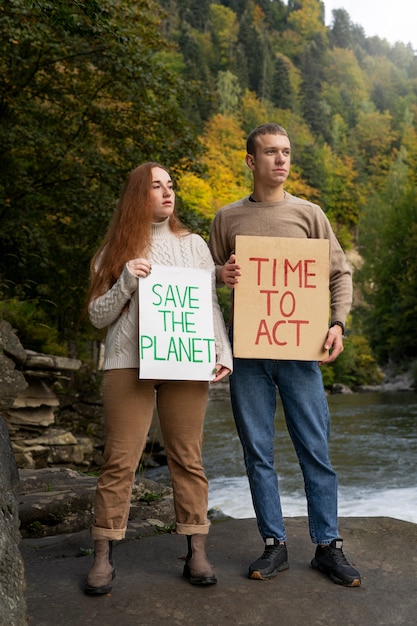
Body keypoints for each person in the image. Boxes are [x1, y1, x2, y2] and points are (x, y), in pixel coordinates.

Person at [208, 123, 361, 587]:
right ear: (251, 162)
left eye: (287, 152)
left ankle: (328, 546)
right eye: (271, 153)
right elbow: (207, 283)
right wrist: (222, 272)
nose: (281, 160)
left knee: (315, 448)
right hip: (247, 353)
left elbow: (340, 274)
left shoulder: (310, 214)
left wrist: (337, 324)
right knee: (257, 452)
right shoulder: (226, 218)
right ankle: (274, 545)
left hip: (300, 350)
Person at [85, 162, 232, 595]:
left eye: (171, 186)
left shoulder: (195, 246)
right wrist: (126, 281)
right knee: (119, 460)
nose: (168, 193)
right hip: (126, 363)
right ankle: (102, 555)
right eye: (156, 186)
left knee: (187, 457)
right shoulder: (112, 251)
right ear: (137, 195)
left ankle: (197, 550)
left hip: (184, 360)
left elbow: (208, 305)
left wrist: (221, 349)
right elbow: (97, 316)